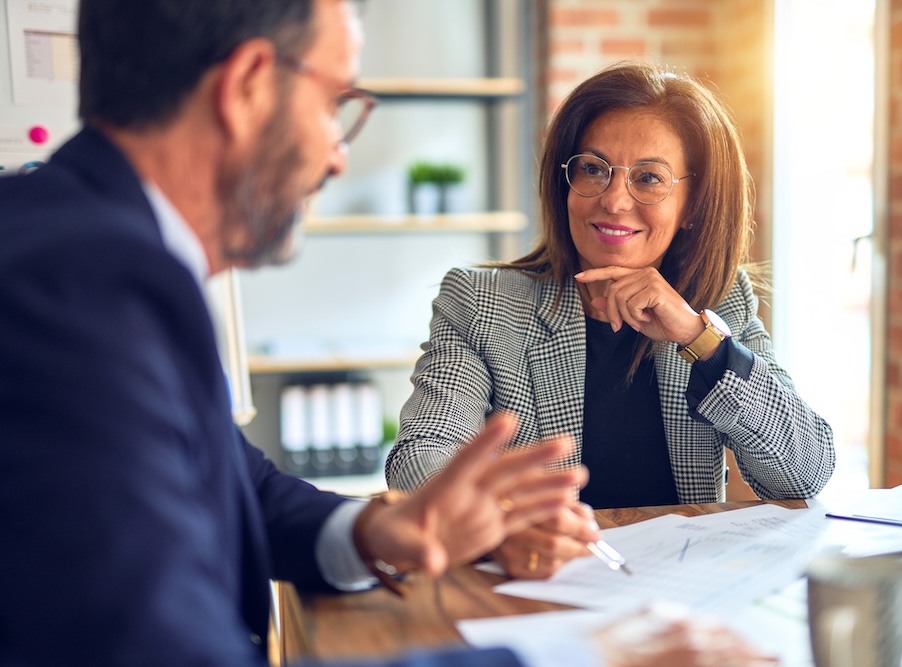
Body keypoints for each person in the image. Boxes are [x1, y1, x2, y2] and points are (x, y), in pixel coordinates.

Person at [0, 2, 775, 667]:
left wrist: (378, 527)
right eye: (335, 102)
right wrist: (582, 654)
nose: (339, 156)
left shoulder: (86, 250)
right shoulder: (80, 288)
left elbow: (234, 482)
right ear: (244, 88)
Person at [386, 61, 836, 580]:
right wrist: (505, 522)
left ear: (693, 205)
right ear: (566, 182)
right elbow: (419, 461)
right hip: (535, 588)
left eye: (649, 178)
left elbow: (803, 471)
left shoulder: (719, 301)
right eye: (594, 169)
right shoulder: (481, 302)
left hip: (679, 594)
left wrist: (699, 337)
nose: (615, 199)